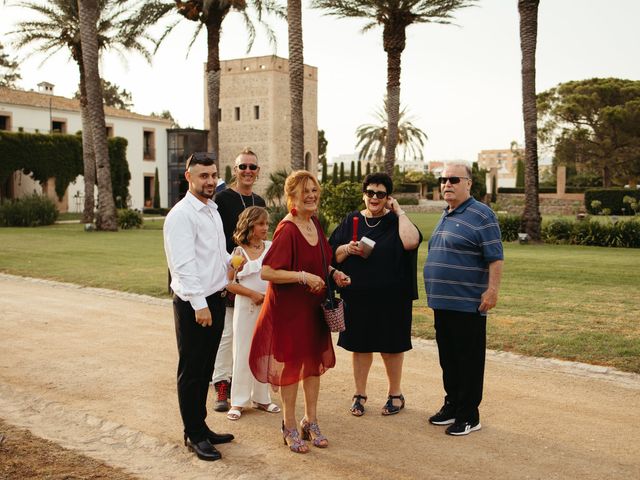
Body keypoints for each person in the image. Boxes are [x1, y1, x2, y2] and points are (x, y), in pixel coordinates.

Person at [249, 170, 351, 454]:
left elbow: (321, 262)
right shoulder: (288, 228)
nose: (311, 195)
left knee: (312, 365)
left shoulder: (314, 223)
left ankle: (311, 420)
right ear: (291, 196)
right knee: (292, 368)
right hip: (289, 311)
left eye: (314, 190)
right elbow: (268, 271)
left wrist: (334, 273)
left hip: (312, 309)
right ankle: (289, 424)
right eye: (305, 191)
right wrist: (303, 277)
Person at [329, 172, 422, 418]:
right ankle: (359, 394)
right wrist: (347, 248)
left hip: (392, 298)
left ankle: (395, 394)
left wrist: (399, 212)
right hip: (358, 296)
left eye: (380, 194)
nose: (374, 197)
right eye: (370, 192)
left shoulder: (396, 221)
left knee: (391, 347)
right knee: (360, 347)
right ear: (364, 194)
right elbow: (331, 254)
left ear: (388, 198)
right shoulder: (351, 220)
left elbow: (412, 242)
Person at [163, 152, 235, 461]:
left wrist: (231, 265)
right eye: (202, 175)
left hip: (216, 299)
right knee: (192, 371)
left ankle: (202, 426)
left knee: (205, 369)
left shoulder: (212, 210)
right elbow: (183, 265)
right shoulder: (182, 215)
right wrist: (199, 304)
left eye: (213, 175)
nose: (209, 181)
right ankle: (192, 434)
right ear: (189, 177)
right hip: (197, 305)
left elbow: (213, 256)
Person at [424, 162, 504, 436]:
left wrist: (492, 290)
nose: (447, 184)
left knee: (468, 360)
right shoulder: (447, 213)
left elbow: (495, 257)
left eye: (454, 179)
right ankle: (453, 405)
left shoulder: (482, 214)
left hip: (468, 303)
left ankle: (469, 414)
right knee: (449, 359)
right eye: (443, 179)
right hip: (443, 303)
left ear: (469, 183)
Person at [211, 148, 266, 412]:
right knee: (228, 334)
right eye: (243, 166)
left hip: (252, 276)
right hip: (229, 271)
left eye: (252, 167)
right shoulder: (222, 199)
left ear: (258, 171)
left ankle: (255, 389)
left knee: (253, 336)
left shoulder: (259, 200)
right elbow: (215, 237)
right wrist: (232, 262)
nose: (247, 171)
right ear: (235, 170)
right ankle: (222, 384)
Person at [225, 206, 280, 421]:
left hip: (269, 307)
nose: (265, 228)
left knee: (265, 351)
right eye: (260, 224)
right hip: (246, 307)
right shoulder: (239, 253)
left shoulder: (272, 247)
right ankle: (238, 401)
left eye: (267, 224)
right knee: (243, 351)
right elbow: (228, 283)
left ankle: (262, 398)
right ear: (249, 226)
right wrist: (251, 294)